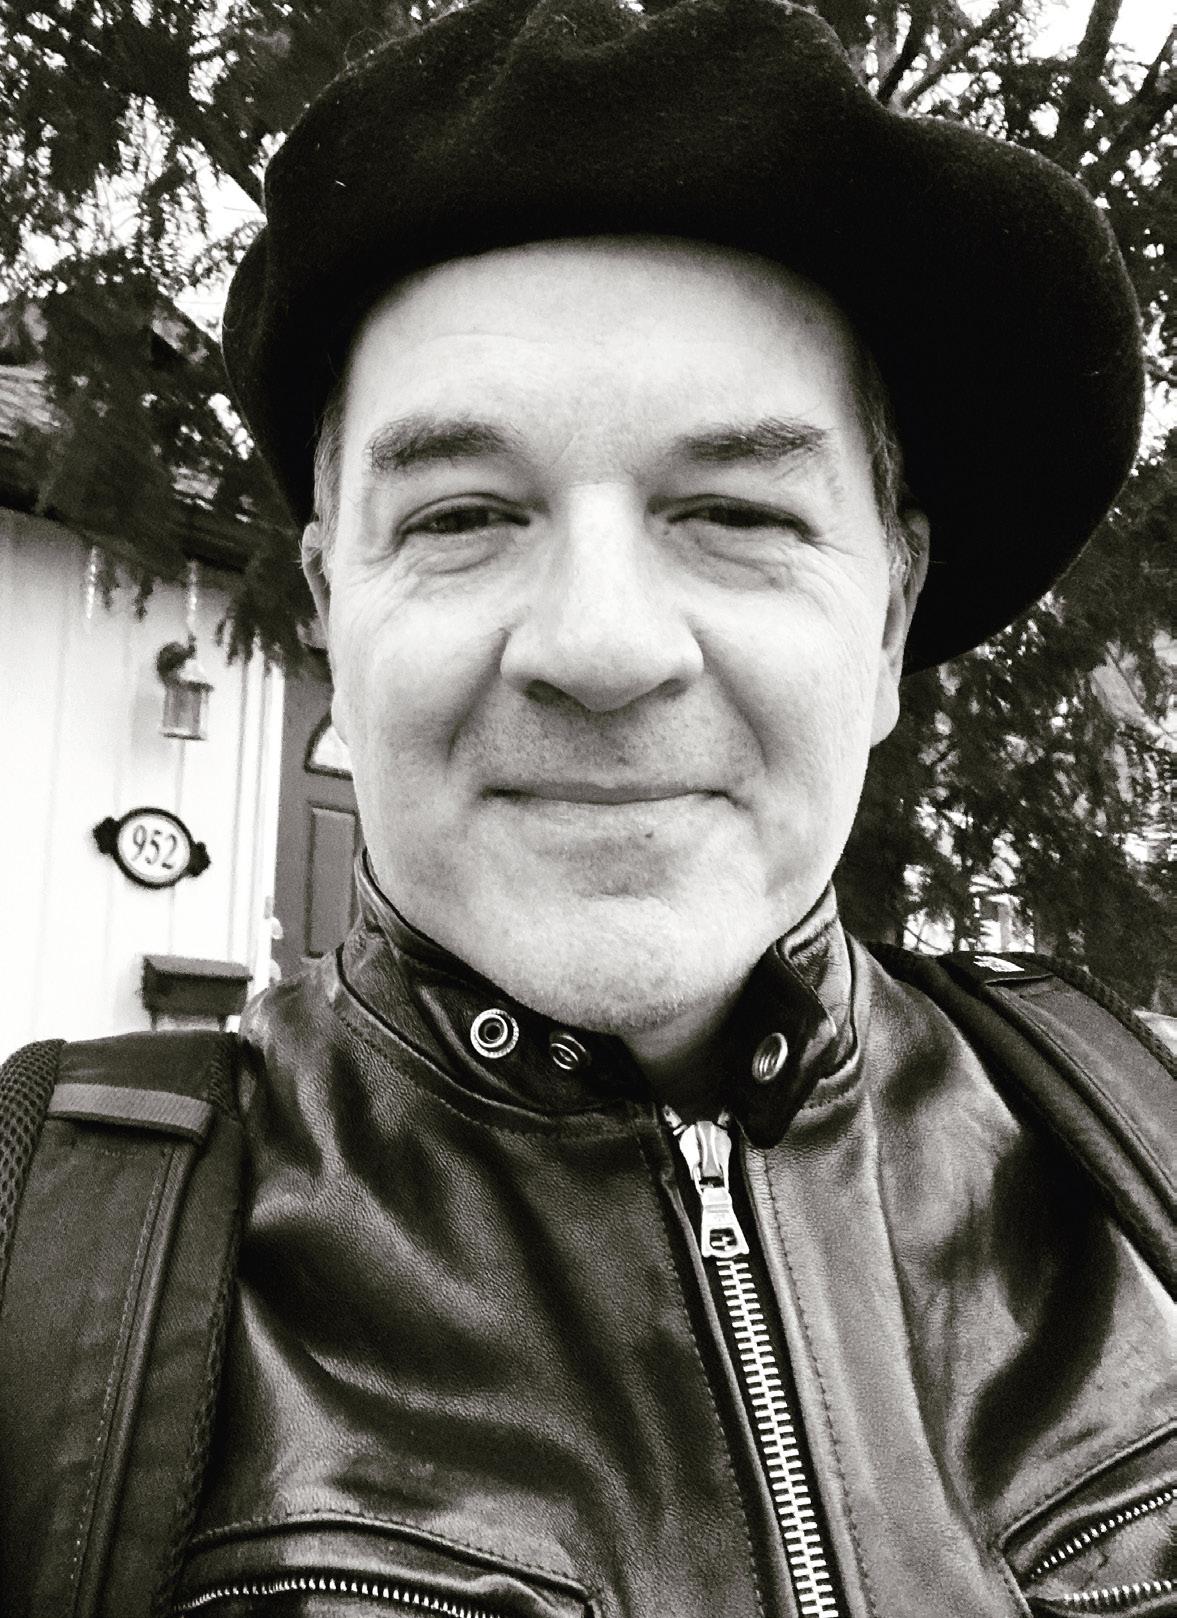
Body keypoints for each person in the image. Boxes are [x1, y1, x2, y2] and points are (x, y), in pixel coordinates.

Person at [12, 0, 1177, 1613]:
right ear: (333, 609)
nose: (603, 646)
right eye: (463, 515)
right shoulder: (37, 1259)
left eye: (735, 511)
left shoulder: (1131, 1162)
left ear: (888, 620)